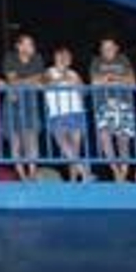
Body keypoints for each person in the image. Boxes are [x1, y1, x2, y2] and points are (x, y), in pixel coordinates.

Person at [90, 38, 136, 182]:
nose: (107, 50)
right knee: (105, 138)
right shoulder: (97, 61)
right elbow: (94, 82)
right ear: (100, 50)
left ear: (116, 48)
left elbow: (132, 81)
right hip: (104, 104)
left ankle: (123, 174)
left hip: (124, 104)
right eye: (104, 48)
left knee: (123, 141)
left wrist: (111, 78)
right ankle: (116, 171)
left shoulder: (123, 60)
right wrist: (118, 79)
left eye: (110, 47)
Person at [2, 34, 46, 181]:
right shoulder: (10, 58)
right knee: (15, 140)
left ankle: (32, 173)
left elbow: (41, 78)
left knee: (31, 137)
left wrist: (21, 83)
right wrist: (31, 81)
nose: (30, 47)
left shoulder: (37, 58)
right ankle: (22, 176)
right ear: (18, 46)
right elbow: (12, 80)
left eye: (31, 44)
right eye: (26, 44)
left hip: (30, 101)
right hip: (13, 102)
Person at [43, 47, 90, 182]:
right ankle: (84, 172)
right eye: (61, 56)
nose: (64, 58)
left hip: (76, 111)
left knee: (75, 149)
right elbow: (43, 83)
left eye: (67, 56)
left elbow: (85, 92)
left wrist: (78, 85)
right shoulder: (50, 71)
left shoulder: (73, 73)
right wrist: (61, 79)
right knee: (63, 144)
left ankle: (73, 180)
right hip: (57, 113)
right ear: (55, 57)